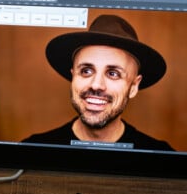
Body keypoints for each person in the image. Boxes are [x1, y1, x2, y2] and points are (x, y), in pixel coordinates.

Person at [23, 14, 174, 151]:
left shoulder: (162, 159)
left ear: (134, 86)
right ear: (73, 77)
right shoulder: (31, 151)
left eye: (113, 74)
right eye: (86, 71)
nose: (96, 85)